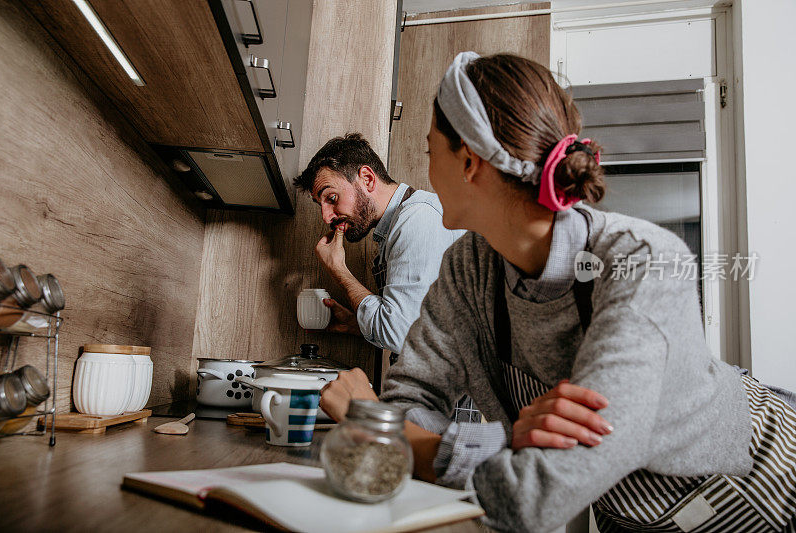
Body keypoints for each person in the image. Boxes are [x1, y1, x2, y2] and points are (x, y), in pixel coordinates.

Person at [320, 52, 796, 532]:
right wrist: (506, 444)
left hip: (764, 487)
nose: (426, 169)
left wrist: (388, 429)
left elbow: (536, 494)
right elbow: (409, 402)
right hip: (629, 515)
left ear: (467, 161)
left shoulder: (640, 264)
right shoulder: (467, 268)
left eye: (429, 150)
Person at [293, 133, 464, 362]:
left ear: (367, 178)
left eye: (331, 198)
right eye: (320, 205)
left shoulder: (417, 220)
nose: (326, 217)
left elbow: (402, 334)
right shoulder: (395, 230)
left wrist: (339, 270)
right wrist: (356, 325)